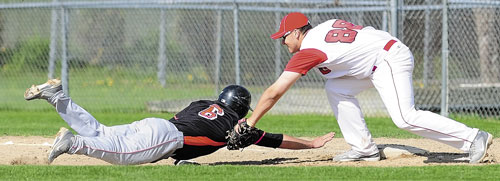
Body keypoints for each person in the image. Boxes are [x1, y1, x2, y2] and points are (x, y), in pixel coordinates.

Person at [244, 12, 493, 163]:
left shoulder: (309, 50)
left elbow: (274, 92)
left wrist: (250, 123)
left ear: (298, 32)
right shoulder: (326, 25)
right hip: (376, 61)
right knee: (336, 88)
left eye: (284, 36)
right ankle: (364, 149)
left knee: (405, 118)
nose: (282, 41)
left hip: (388, 59)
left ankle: (473, 138)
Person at [24, 79, 335, 165]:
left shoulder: (203, 103)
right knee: (122, 156)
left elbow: (196, 130)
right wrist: (311, 143)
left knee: (103, 132)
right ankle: (72, 143)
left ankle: (57, 97)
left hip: (154, 124)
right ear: (241, 108)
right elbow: (276, 140)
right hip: (167, 138)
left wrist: (182, 159)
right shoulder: (237, 125)